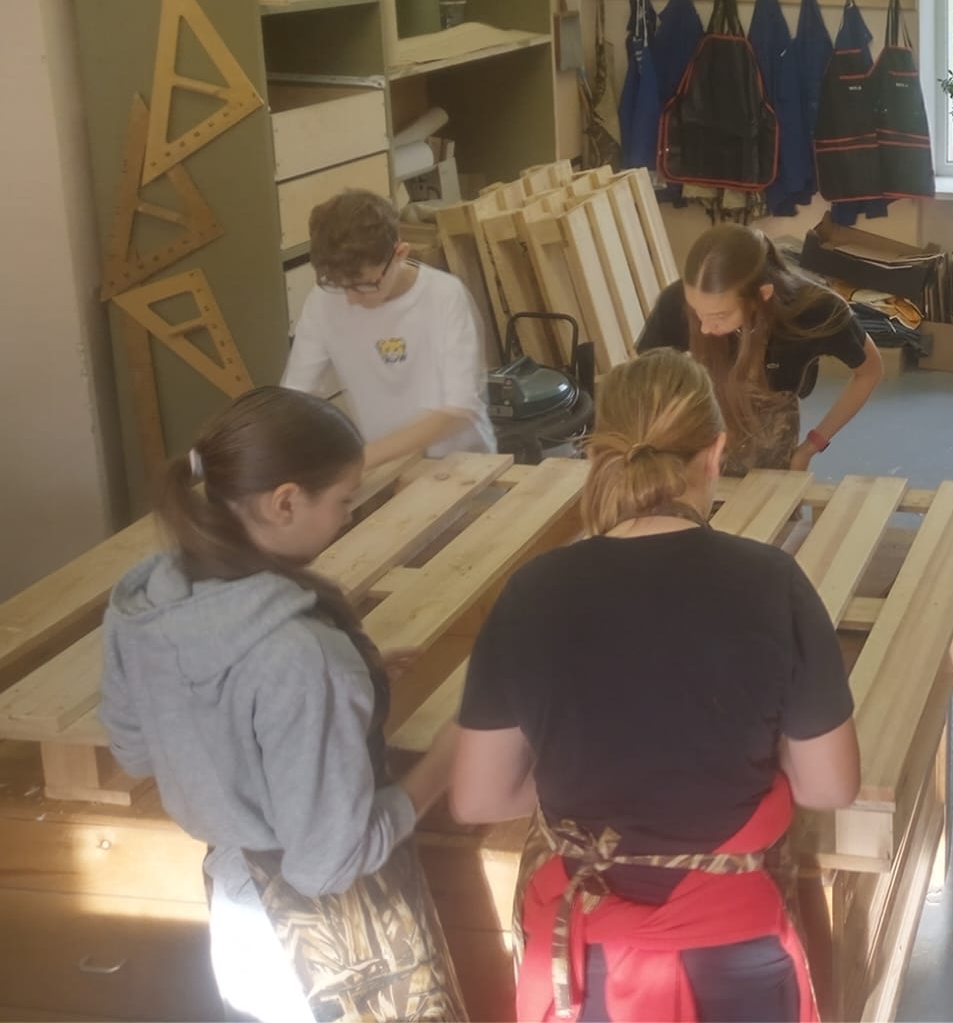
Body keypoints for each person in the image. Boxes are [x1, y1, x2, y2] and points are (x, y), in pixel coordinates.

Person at [448, 349, 860, 1022]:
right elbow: (830, 786)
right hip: (731, 954)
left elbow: (479, 796)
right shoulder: (771, 583)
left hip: (590, 964)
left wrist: (587, 790)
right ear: (716, 452)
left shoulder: (533, 592)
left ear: (597, 454)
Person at [99, 387, 463, 1023]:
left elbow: (135, 747)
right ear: (286, 501)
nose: (348, 514)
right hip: (313, 955)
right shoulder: (301, 656)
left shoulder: (151, 595)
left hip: (236, 915)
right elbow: (327, 862)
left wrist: (338, 690)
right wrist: (446, 758)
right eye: (344, 499)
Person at [636, 224, 881, 472]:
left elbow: (869, 371)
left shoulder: (815, 311)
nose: (705, 328)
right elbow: (643, 378)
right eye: (696, 311)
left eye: (720, 316)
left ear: (763, 294)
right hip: (701, 431)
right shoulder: (675, 301)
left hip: (772, 437)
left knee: (770, 496)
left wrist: (811, 446)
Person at [282, 190, 492, 468]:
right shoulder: (324, 301)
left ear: (400, 254)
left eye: (366, 284)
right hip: (385, 466)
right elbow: (296, 395)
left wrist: (358, 461)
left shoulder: (444, 296)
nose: (351, 299)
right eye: (340, 285)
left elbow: (460, 410)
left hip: (460, 464)